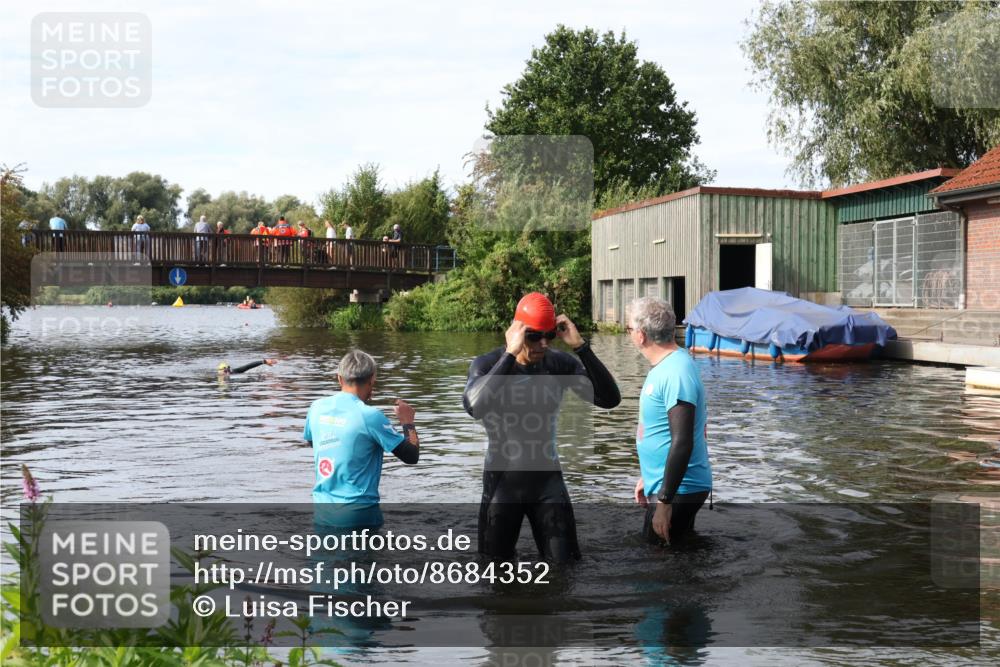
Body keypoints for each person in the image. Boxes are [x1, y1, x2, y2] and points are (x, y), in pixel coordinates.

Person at [462, 292, 621, 562]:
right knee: (494, 576)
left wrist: (581, 347)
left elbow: (609, 399)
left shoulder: (559, 364)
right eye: (534, 336)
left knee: (567, 572)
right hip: (502, 486)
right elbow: (475, 407)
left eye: (549, 335)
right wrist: (511, 354)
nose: (543, 344)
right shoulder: (489, 364)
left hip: (547, 484)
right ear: (516, 332)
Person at [627, 297, 712, 546]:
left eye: (629, 330)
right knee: (676, 557)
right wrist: (651, 477)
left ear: (641, 335)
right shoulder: (668, 366)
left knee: (657, 569)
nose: (629, 335)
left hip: (680, 491)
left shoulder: (676, 372)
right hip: (671, 486)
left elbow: (683, 441)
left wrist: (664, 501)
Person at [303, 349, 420, 528]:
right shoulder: (370, 416)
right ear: (372, 378)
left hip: (323, 512)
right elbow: (411, 456)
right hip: (359, 514)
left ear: (339, 378)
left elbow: (314, 442)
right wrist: (408, 422)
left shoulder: (316, 408)